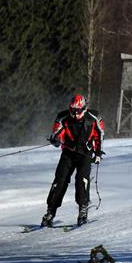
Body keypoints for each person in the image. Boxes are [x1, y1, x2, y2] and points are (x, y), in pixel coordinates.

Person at [41, 94, 104, 227]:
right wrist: (55, 140)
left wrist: (98, 153)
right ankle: (50, 212)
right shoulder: (63, 118)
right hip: (68, 153)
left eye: (78, 111)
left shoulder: (94, 118)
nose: (75, 114)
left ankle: (83, 210)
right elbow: (57, 133)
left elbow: (99, 136)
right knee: (60, 180)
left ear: (84, 109)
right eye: (72, 110)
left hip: (85, 154)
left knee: (82, 180)